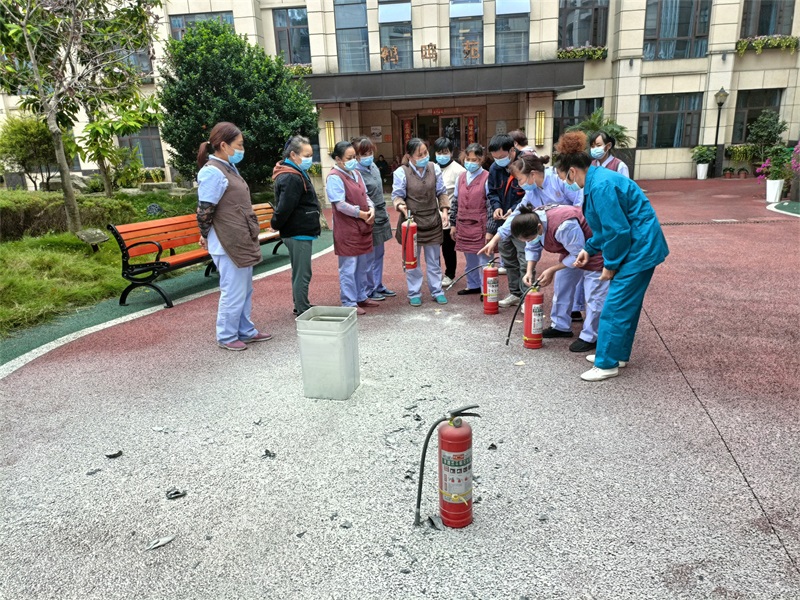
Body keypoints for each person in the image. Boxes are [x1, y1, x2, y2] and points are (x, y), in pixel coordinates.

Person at [555, 131, 669, 381]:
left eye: (563, 178)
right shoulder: (597, 180)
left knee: (615, 306)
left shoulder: (600, 185)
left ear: (572, 171)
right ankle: (617, 355)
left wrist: (610, 264)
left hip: (639, 248)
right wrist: (589, 249)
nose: (564, 183)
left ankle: (606, 363)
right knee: (626, 306)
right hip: (639, 245)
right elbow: (606, 228)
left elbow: (617, 231)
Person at [196, 121, 272, 351]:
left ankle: (245, 330)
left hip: (239, 236)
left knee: (244, 289)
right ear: (223, 145)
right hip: (227, 240)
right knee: (233, 291)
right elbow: (205, 209)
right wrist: (204, 234)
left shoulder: (228, 168)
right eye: (239, 145)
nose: (242, 149)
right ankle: (227, 335)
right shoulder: (212, 171)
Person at [509, 204, 609, 353]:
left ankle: (590, 337)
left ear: (539, 228)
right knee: (562, 285)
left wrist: (552, 269)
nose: (528, 241)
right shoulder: (531, 220)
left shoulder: (564, 226)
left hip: (594, 251)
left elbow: (578, 254)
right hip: (572, 250)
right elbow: (532, 246)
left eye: (529, 238)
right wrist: (529, 271)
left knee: (594, 296)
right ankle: (560, 326)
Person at [479, 153, 582, 278]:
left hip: (577, 230)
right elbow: (517, 213)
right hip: (565, 238)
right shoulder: (532, 191)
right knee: (565, 280)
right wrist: (496, 239)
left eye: (520, 179)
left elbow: (580, 205)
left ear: (532, 174)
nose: (519, 184)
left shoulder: (558, 179)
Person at [392, 137, 450, 306]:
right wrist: (401, 206)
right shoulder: (401, 172)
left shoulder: (434, 168)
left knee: (434, 261)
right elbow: (397, 196)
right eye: (420, 155)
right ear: (409, 156)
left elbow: (442, 192)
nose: (424, 157)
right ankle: (414, 292)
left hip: (432, 220)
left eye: (425, 153)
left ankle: (437, 290)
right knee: (412, 261)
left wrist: (444, 211)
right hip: (412, 222)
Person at [271, 135, 322, 317]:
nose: (310, 159)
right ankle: (302, 307)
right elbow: (285, 207)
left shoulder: (293, 172)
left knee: (300, 271)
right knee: (303, 273)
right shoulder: (291, 176)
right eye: (306, 155)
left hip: (298, 229)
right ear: (293, 155)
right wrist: (275, 224)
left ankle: (300, 304)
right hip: (298, 231)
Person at [326, 141, 376, 316]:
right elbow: (340, 204)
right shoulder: (334, 177)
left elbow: (365, 195)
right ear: (338, 159)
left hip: (362, 227)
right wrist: (361, 214)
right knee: (348, 268)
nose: (353, 160)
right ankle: (348, 301)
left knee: (362, 265)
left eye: (354, 157)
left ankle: (361, 296)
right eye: (349, 158)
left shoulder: (356, 173)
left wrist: (371, 208)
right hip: (347, 229)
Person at [353, 137, 395, 301]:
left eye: (370, 152)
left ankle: (378, 285)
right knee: (369, 256)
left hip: (381, 215)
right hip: (368, 217)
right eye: (364, 154)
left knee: (379, 253)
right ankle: (369, 288)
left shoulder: (374, 167)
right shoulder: (356, 172)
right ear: (356, 155)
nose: (368, 156)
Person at [487, 133, 526, 307]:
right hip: (502, 221)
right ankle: (515, 293)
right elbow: (492, 192)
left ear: (512, 150)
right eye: (495, 158)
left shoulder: (525, 164)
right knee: (509, 259)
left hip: (522, 221)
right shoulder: (495, 168)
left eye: (502, 157)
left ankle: (527, 296)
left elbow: (530, 194)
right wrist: (496, 207)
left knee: (524, 259)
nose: (499, 161)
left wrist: (515, 209)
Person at [449, 143, 490, 295]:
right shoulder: (460, 177)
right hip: (463, 223)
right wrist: (453, 224)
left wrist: (490, 229)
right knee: (469, 257)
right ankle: (473, 285)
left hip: (481, 223)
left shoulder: (487, 177)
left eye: (474, 160)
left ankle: (487, 290)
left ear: (481, 160)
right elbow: (455, 202)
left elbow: (491, 205)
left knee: (485, 259)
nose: (470, 162)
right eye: (468, 159)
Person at [434, 136, 466, 287]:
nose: (442, 155)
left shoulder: (459, 171)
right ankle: (435, 274)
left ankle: (450, 274)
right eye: (439, 152)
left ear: (451, 152)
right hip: (432, 217)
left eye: (445, 152)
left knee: (448, 248)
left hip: (449, 217)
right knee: (433, 249)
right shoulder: (432, 168)